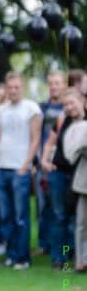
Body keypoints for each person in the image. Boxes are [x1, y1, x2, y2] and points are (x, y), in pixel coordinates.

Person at [0, 72, 42, 270]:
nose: (13, 91)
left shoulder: (31, 108)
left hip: (20, 168)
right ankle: (10, 253)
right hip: (2, 168)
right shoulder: (1, 110)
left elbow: (35, 139)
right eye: (10, 87)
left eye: (17, 87)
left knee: (20, 216)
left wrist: (26, 165)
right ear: (6, 88)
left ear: (22, 88)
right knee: (4, 215)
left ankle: (22, 257)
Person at [41, 88, 84, 269]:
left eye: (72, 103)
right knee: (60, 216)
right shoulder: (62, 119)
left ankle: (75, 254)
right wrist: (44, 160)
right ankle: (59, 257)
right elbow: (50, 142)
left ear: (81, 101)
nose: (69, 107)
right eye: (65, 104)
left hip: (79, 176)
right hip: (59, 173)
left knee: (77, 218)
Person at [36, 71, 67, 256]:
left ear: (64, 85)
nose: (54, 86)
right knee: (44, 207)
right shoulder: (42, 108)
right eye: (51, 83)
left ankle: (66, 251)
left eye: (57, 83)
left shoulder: (70, 108)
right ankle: (46, 245)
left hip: (64, 166)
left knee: (62, 213)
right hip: (45, 164)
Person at [63, 115, 87, 273]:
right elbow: (75, 151)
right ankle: (80, 261)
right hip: (84, 181)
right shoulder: (82, 127)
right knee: (81, 223)